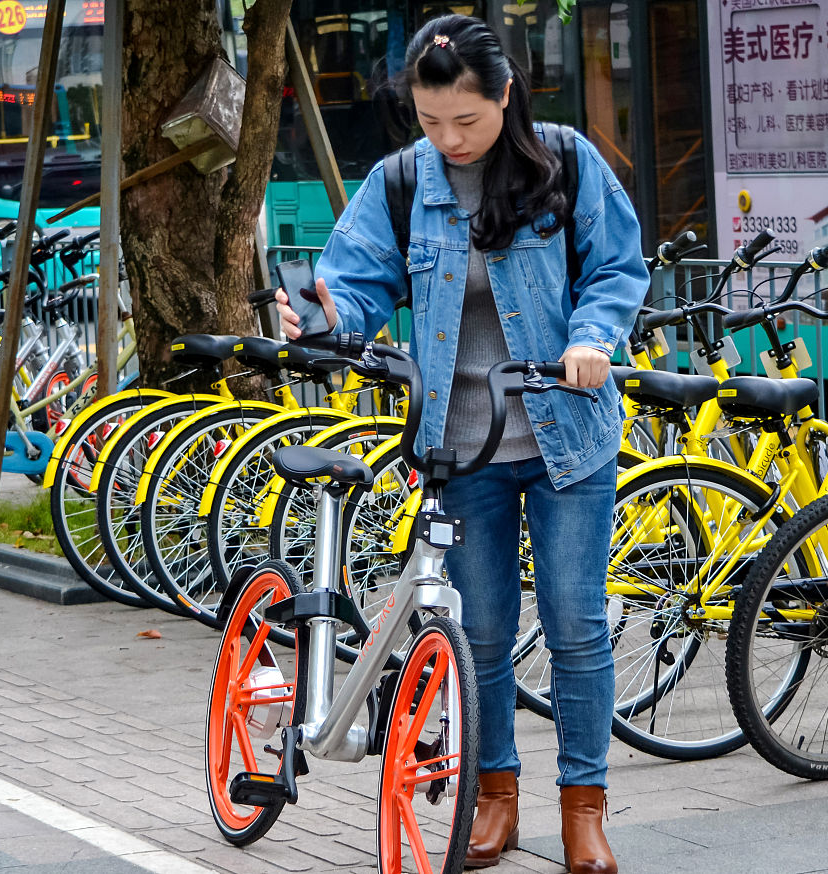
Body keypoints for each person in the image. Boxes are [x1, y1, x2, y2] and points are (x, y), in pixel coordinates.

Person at [275, 14, 648, 874]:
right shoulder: (403, 180)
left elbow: (618, 268)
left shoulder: (565, 162)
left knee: (577, 628)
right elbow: (357, 281)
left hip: (568, 439)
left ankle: (585, 810)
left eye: (466, 122)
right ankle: (495, 799)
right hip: (459, 446)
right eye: (430, 120)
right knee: (477, 631)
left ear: (505, 97)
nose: (448, 139)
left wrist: (593, 337)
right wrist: (322, 315)